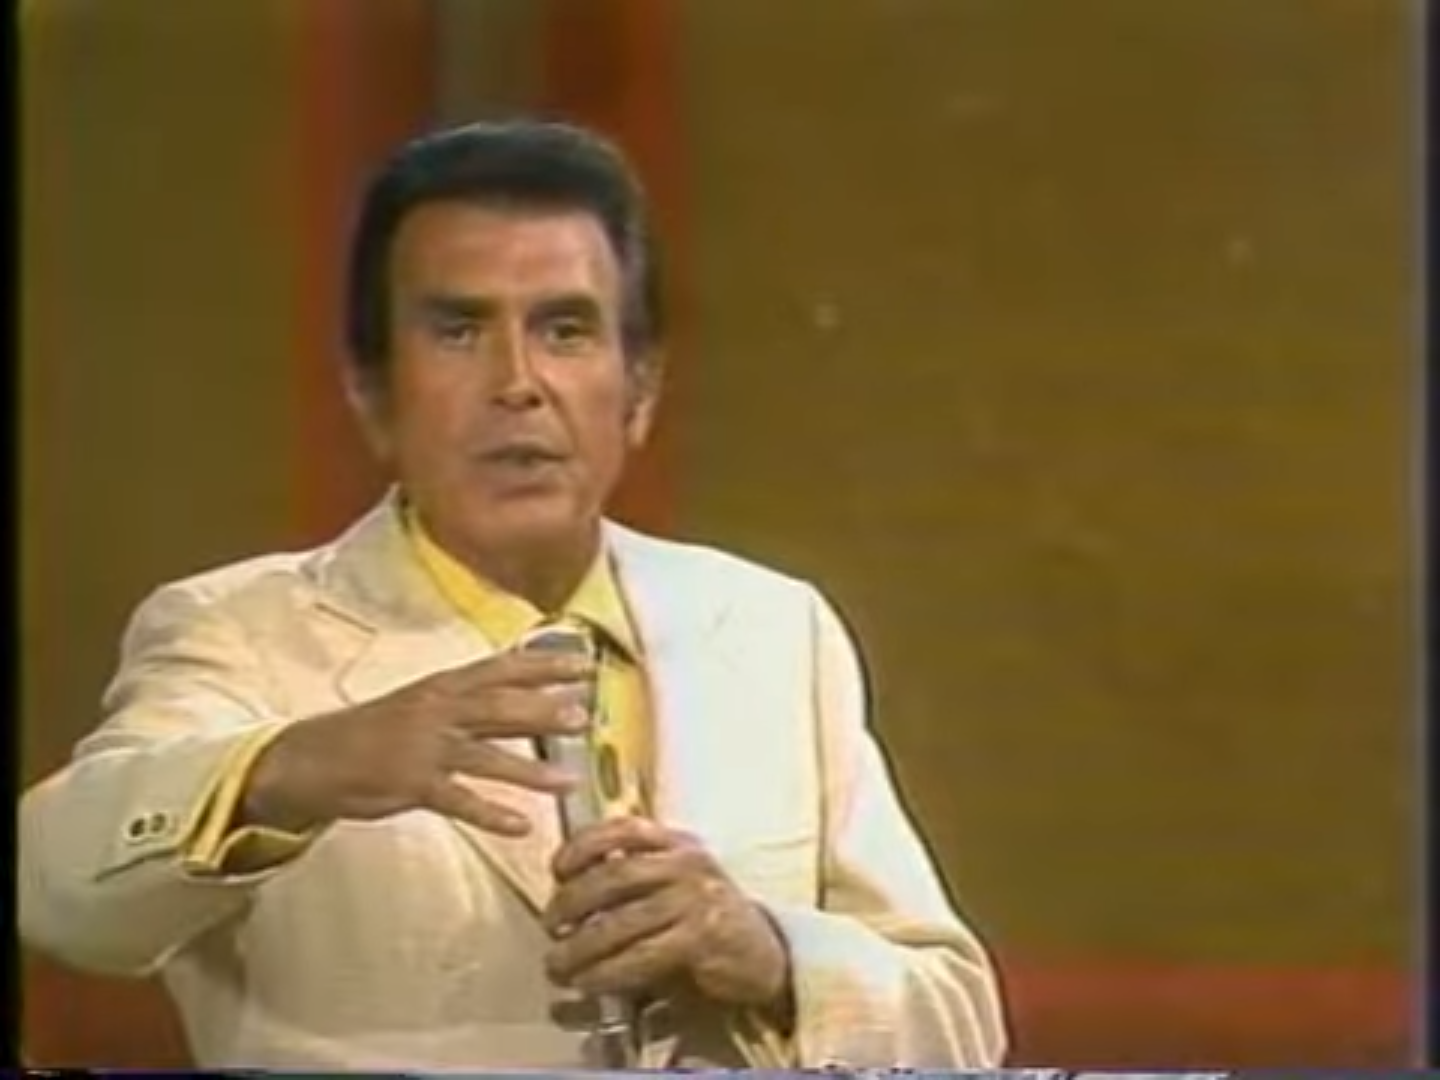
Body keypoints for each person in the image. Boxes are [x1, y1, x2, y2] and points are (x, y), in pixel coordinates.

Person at [18, 119, 1007, 1070]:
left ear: (640, 391)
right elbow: (55, 888)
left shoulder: (772, 629)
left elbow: (958, 1023)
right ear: (372, 393)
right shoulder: (245, 634)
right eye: (459, 330)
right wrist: (298, 766)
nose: (519, 382)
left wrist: (772, 955)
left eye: (565, 329)